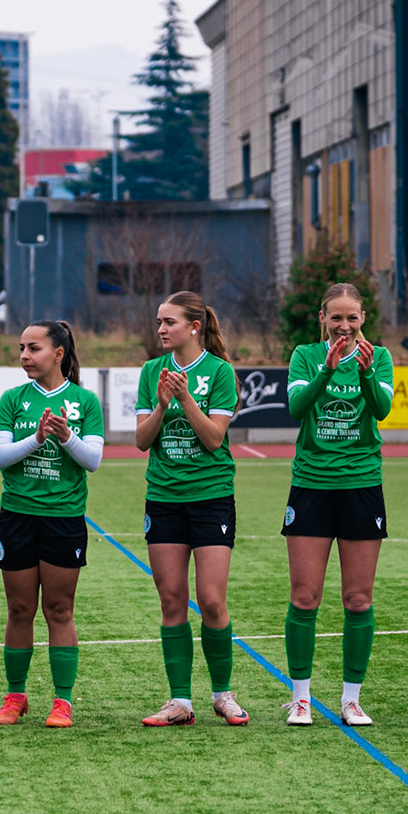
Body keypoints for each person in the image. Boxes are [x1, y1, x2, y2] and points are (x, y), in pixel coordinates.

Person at [281, 282, 394, 727]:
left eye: (352, 317)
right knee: (304, 596)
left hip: (361, 485)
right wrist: (326, 372)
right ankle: (301, 698)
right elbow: (296, 407)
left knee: (358, 598)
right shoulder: (305, 355)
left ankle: (351, 699)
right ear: (322, 319)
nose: (344, 325)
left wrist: (365, 374)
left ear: (362, 318)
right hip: (311, 484)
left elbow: (383, 410)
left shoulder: (378, 357)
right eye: (336, 317)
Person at [133, 291, 248, 728]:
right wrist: (162, 403)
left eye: (169, 322)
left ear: (194, 326)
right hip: (163, 498)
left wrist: (185, 399)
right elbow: (143, 441)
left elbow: (214, 439)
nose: (161, 329)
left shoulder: (219, 372)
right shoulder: (150, 372)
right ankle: (180, 700)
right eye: (159, 321)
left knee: (212, 600)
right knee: (171, 600)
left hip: (211, 496)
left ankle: (222, 693)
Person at [0, 321, 104, 728]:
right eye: (21, 348)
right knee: (19, 609)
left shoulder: (84, 401)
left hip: (64, 519)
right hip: (18, 516)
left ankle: (62, 701)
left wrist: (66, 436)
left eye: (33, 348)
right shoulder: (13, 399)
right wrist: (38, 439)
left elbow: (92, 460)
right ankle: (15, 696)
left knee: (59, 609)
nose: (24, 356)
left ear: (58, 354)